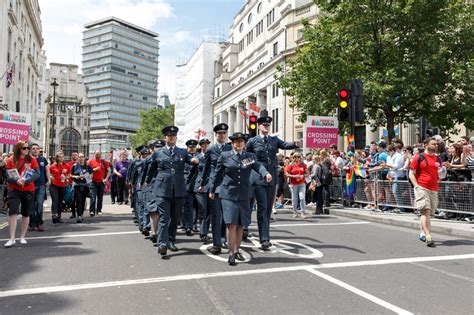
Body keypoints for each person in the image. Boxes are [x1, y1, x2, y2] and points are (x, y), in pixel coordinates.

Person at [209, 132, 271, 266]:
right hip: (228, 194)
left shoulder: (249, 157)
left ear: (244, 144)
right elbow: (217, 174)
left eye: (241, 141)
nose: (239, 144)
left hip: (244, 194)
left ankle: (237, 250)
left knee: (241, 224)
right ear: (232, 143)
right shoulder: (225, 156)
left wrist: (265, 173)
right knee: (231, 223)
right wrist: (212, 190)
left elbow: (258, 166)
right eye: (236, 141)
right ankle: (231, 253)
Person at [246, 116, 299, 249]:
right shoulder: (252, 141)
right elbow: (247, 158)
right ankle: (263, 238)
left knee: (268, 208)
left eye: (268, 125)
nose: (266, 127)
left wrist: (296, 143)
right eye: (264, 125)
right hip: (258, 177)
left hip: (272, 178)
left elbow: (285, 145)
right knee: (262, 207)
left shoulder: (274, 140)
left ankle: (261, 234)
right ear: (258, 126)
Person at [149, 126, 198, 257]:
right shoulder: (158, 153)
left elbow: (191, 160)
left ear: (176, 138)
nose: (171, 138)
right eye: (169, 136)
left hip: (179, 190)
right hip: (162, 189)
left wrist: (194, 160)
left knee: (175, 217)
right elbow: (151, 169)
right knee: (164, 217)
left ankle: (170, 240)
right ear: (165, 138)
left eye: (173, 136)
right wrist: (147, 181)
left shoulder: (182, 152)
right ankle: (162, 244)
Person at [200, 123, 232, 255]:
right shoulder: (211, 150)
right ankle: (216, 243)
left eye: (224, 133)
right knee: (215, 215)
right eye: (220, 134)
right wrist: (203, 184)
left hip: (229, 185)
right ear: (216, 135)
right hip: (215, 186)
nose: (222, 136)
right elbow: (206, 169)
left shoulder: (231, 148)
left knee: (226, 215)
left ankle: (224, 238)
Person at [4, 141, 39, 248]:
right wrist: (16, 181)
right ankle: (11, 239)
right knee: (13, 213)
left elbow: (37, 173)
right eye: (24, 148)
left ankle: (22, 237)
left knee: (26, 213)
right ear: (19, 148)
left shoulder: (31, 159)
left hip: (28, 189)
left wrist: (26, 180)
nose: (27, 150)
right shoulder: (11, 160)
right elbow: (8, 175)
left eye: (28, 148)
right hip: (14, 189)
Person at [409, 137, 440, 247]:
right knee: (425, 210)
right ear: (426, 144)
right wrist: (416, 186)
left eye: (436, 144)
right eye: (433, 144)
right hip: (422, 187)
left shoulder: (437, 158)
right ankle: (428, 235)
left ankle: (422, 232)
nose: (436, 146)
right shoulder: (419, 157)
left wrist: (442, 171)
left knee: (429, 214)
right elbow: (411, 173)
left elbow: (441, 174)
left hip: (434, 188)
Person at [193, 138, 212, 243]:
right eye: (203, 144)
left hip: (210, 186)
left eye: (207, 144)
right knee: (202, 210)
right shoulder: (196, 156)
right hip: (200, 186)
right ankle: (203, 233)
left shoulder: (212, 155)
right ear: (200, 146)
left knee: (209, 212)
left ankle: (205, 232)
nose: (205, 146)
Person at [29, 143, 49, 231]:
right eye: (33, 148)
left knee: (40, 204)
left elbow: (47, 170)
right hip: (30, 185)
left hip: (41, 185)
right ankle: (32, 223)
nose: (35, 150)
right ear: (30, 150)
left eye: (37, 148)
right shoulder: (28, 160)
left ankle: (39, 223)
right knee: (31, 205)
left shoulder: (43, 159)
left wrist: (49, 180)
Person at [182, 139, 199, 236]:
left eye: (193, 147)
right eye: (190, 147)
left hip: (197, 184)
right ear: (187, 148)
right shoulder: (184, 157)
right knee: (188, 205)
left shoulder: (199, 156)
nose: (192, 149)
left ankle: (193, 224)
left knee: (196, 206)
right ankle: (188, 225)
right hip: (186, 184)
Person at [49, 151, 70, 224]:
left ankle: (59, 216)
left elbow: (69, 175)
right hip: (54, 186)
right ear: (57, 158)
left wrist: (66, 177)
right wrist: (50, 177)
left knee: (60, 202)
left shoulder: (66, 166)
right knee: (55, 200)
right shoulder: (52, 166)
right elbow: (48, 174)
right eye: (60, 157)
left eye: (62, 157)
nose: (61, 158)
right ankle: (54, 216)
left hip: (62, 185)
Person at [71, 153, 93, 223]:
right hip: (77, 185)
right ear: (78, 158)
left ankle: (81, 214)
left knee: (83, 200)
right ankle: (79, 216)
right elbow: (70, 175)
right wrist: (75, 177)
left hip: (85, 186)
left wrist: (84, 176)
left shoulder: (88, 166)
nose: (81, 158)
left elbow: (91, 176)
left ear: (84, 158)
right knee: (79, 200)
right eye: (79, 157)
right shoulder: (74, 166)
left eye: (82, 157)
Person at [285, 152, 308, 218]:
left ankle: (302, 213)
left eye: (298, 156)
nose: (296, 158)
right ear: (293, 158)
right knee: (294, 199)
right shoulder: (291, 165)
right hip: (293, 184)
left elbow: (307, 173)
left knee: (302, 197)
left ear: (300, 157)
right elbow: (287, 174)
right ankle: (295, 212)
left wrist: (303, 176)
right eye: (295, 157)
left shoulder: (303, 164)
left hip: (302, 183)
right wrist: (294, 176)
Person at [88, 150, 111, 216]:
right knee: (93, 196)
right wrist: (95, 169)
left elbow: (109, 170)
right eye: (96, 154)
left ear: (101, 155)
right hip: (93, 182)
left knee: (100, 197)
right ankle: (92, 211)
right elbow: (87, 171)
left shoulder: (104, 162)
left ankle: (99, 210)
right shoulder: (90, 162)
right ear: (94, 154)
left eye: (99, 154)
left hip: (101, 182)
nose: (98, 155)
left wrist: (106, 179)